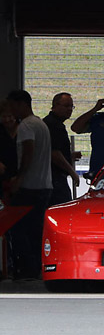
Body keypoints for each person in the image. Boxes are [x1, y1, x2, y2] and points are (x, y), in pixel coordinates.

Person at [6, 90, 52, 280]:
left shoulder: (26, 126)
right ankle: (37, 267)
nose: (11, 110)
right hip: (44, 185)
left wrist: (19, 178)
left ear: (21, 104)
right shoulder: (40, 124)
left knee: (18, 228)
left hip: (29, 186)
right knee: (36, 229)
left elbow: (28, 152)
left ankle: (26, 268)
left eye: (12, 105)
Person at [44, 92, 81, 206]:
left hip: (53, 178)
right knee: (62, 208)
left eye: (71, 106)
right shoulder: (53, 125)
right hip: (54, 178)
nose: (69, 109)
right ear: (55, 106)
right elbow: (54, 153)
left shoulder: (53, 123)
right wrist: (72, 172)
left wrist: (69, 156)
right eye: (66, 106)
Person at [0, 99, 19, 202]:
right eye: (4, 116)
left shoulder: (24, 128)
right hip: (3, 175)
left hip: (21, 174)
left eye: (10, 116)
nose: (7, 120)